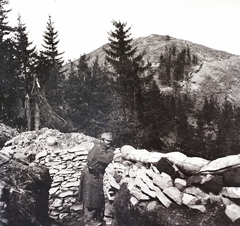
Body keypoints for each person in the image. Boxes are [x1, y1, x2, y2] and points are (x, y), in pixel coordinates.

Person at [79, 132, 114, 226]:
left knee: (89, 197)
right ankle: (89, 220)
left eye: (110, 142)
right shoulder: (100, 149)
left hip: (90, 174)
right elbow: (107, 159)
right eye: (107, 141)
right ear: (102, 140)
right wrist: (111, 151)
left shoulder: (98, 146)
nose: (109, 143)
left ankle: (89, 218)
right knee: (93, 198)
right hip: (92, 175)